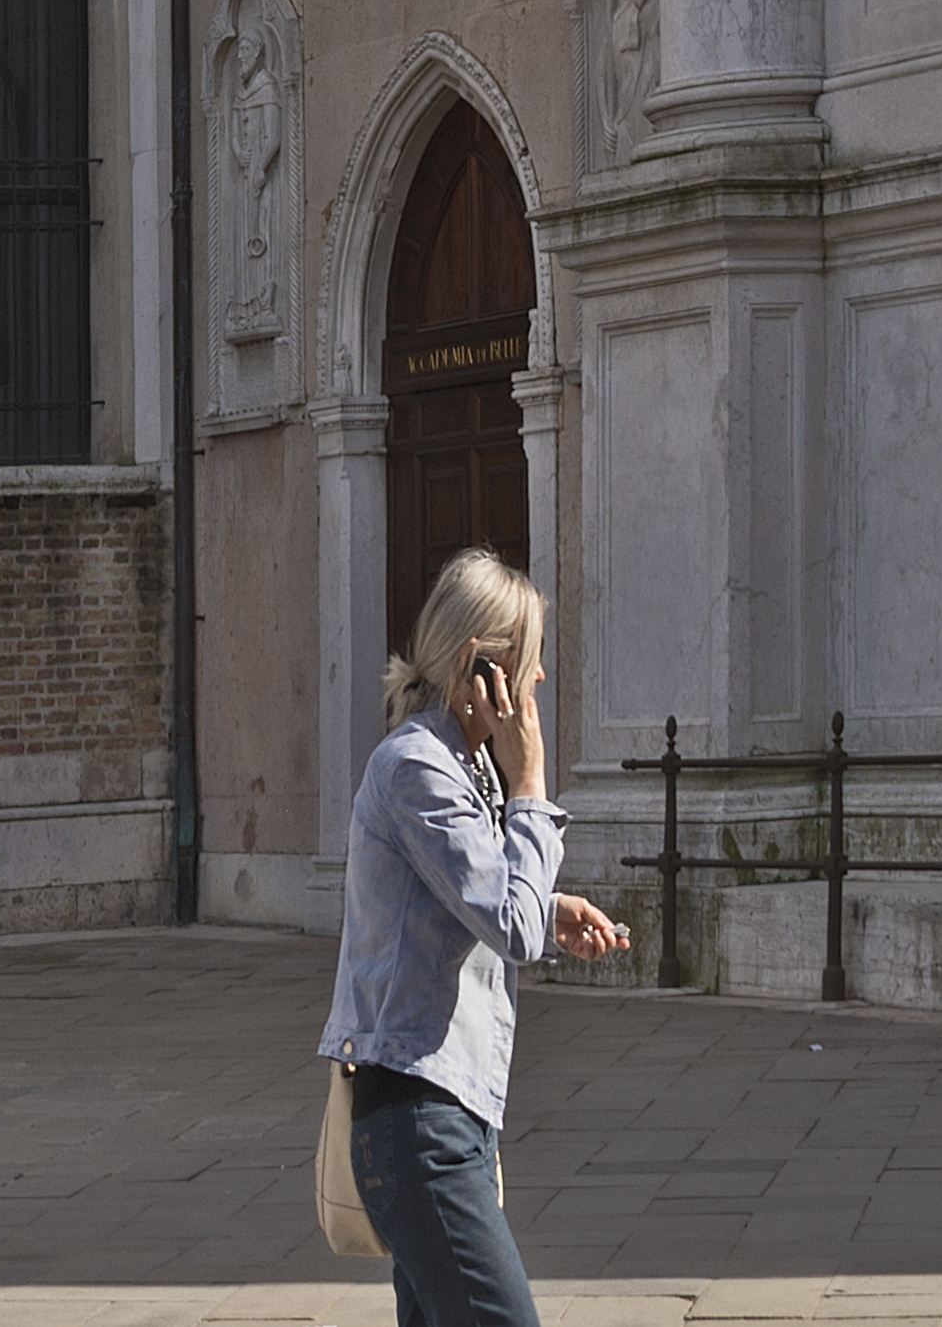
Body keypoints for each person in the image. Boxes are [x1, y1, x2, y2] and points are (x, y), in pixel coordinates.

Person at [320, 550, 628, 1327]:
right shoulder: (416, 770)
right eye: (527, 662)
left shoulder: (460, 770)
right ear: (477, 669)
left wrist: (548, 904)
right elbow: (509, 929)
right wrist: (532, 788)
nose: (538, 683)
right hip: (419, 1125)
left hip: (445, 1121)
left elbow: (479, 904)